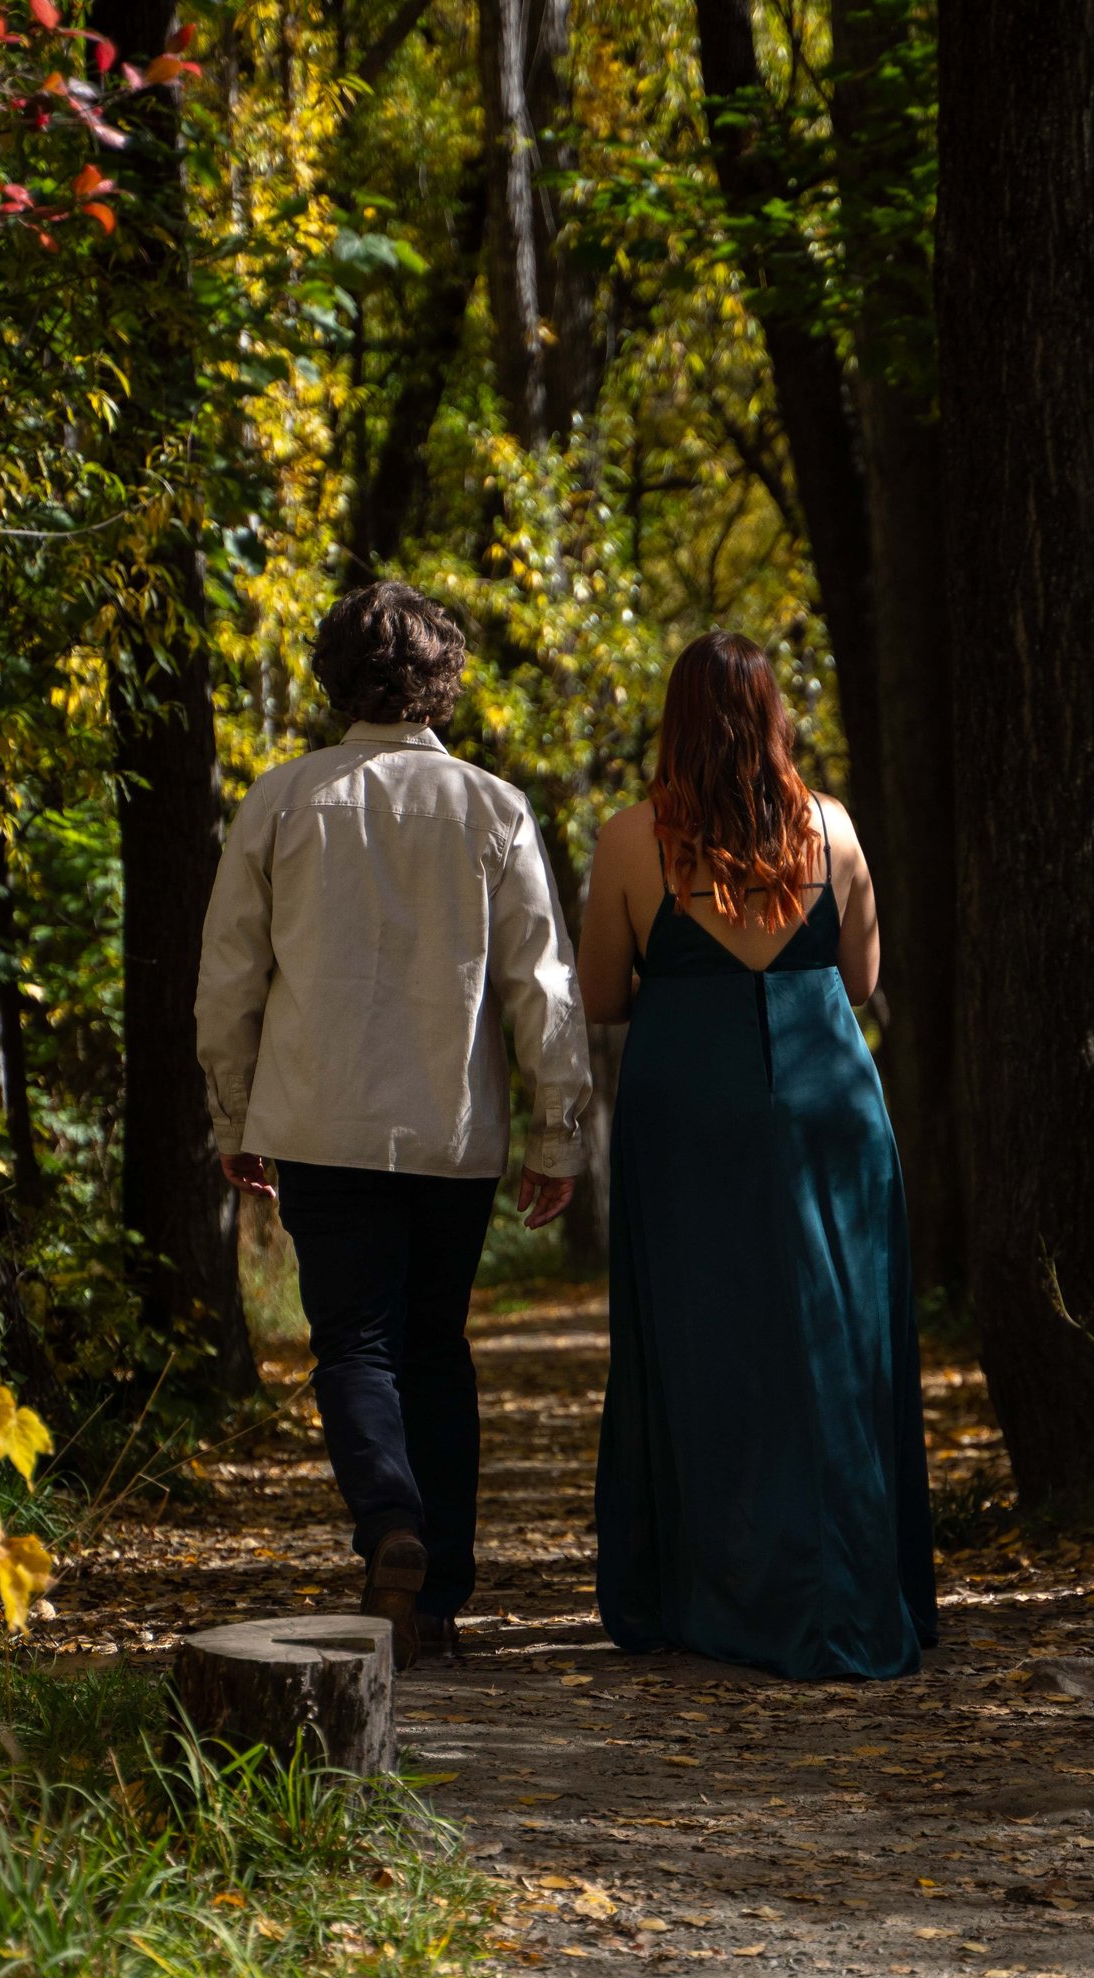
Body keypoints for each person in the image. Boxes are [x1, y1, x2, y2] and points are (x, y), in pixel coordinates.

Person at [196, 580, 589, 1663]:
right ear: (441, 682)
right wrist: (557, 1130)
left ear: (335, 678)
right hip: (447, 1130)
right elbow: (539, 983)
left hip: (320, 1118)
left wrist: (236, 1110)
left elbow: (228, 976)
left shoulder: (281, 801)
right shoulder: (493, 806)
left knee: (352, 1345)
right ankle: (442, 1595)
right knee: (435, 1349)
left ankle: (391, 1526)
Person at [578, 630, 936, 1682]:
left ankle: (707, 1591)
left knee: (703, 1346)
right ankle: (849, 1587)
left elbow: (601, 996)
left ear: (675, 723)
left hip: (687, 1108)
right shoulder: (832, 830)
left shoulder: (630, 841)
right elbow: (862, 978)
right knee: (837, 1345)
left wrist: (690, 994)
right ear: (773, 716)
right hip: (829, 1104)